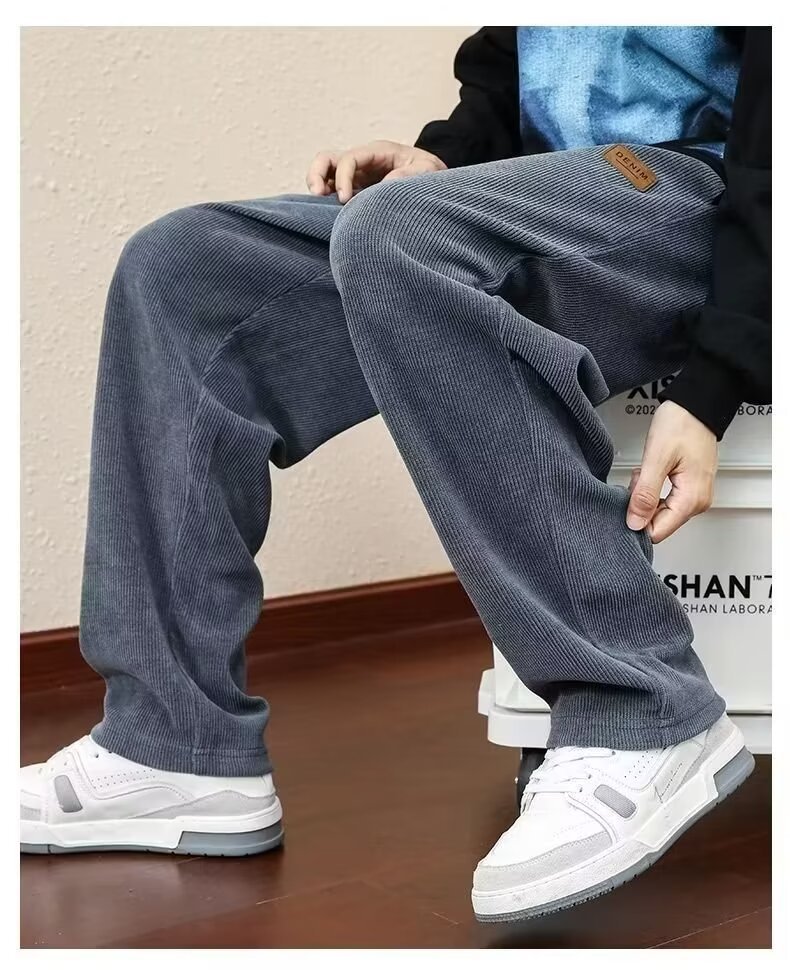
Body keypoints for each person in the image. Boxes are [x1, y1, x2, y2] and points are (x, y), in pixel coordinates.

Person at [21, 26, 770, 922]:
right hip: (550, 192)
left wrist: (717, 379)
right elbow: (521, 56)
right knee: (182, 267)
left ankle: (638, 702)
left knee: (399, 233)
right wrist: (447, 156)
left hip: (714, 196)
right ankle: (172, 743)